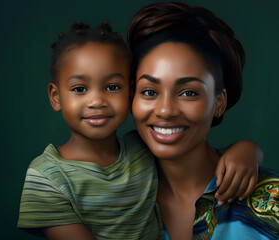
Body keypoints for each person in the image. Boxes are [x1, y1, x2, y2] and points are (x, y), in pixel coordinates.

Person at [18, 21, 262, 240]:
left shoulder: (137, 153)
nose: (97, 101)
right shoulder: (47, 178)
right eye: (150, 92)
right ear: (55, 96)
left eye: (189, 92)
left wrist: (248, 150)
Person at [128, 2, 279, 240]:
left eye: (188, 92)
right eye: (149, 91)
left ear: (219, 102)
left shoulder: (273, 200)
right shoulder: (110, 198)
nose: (165, 110)